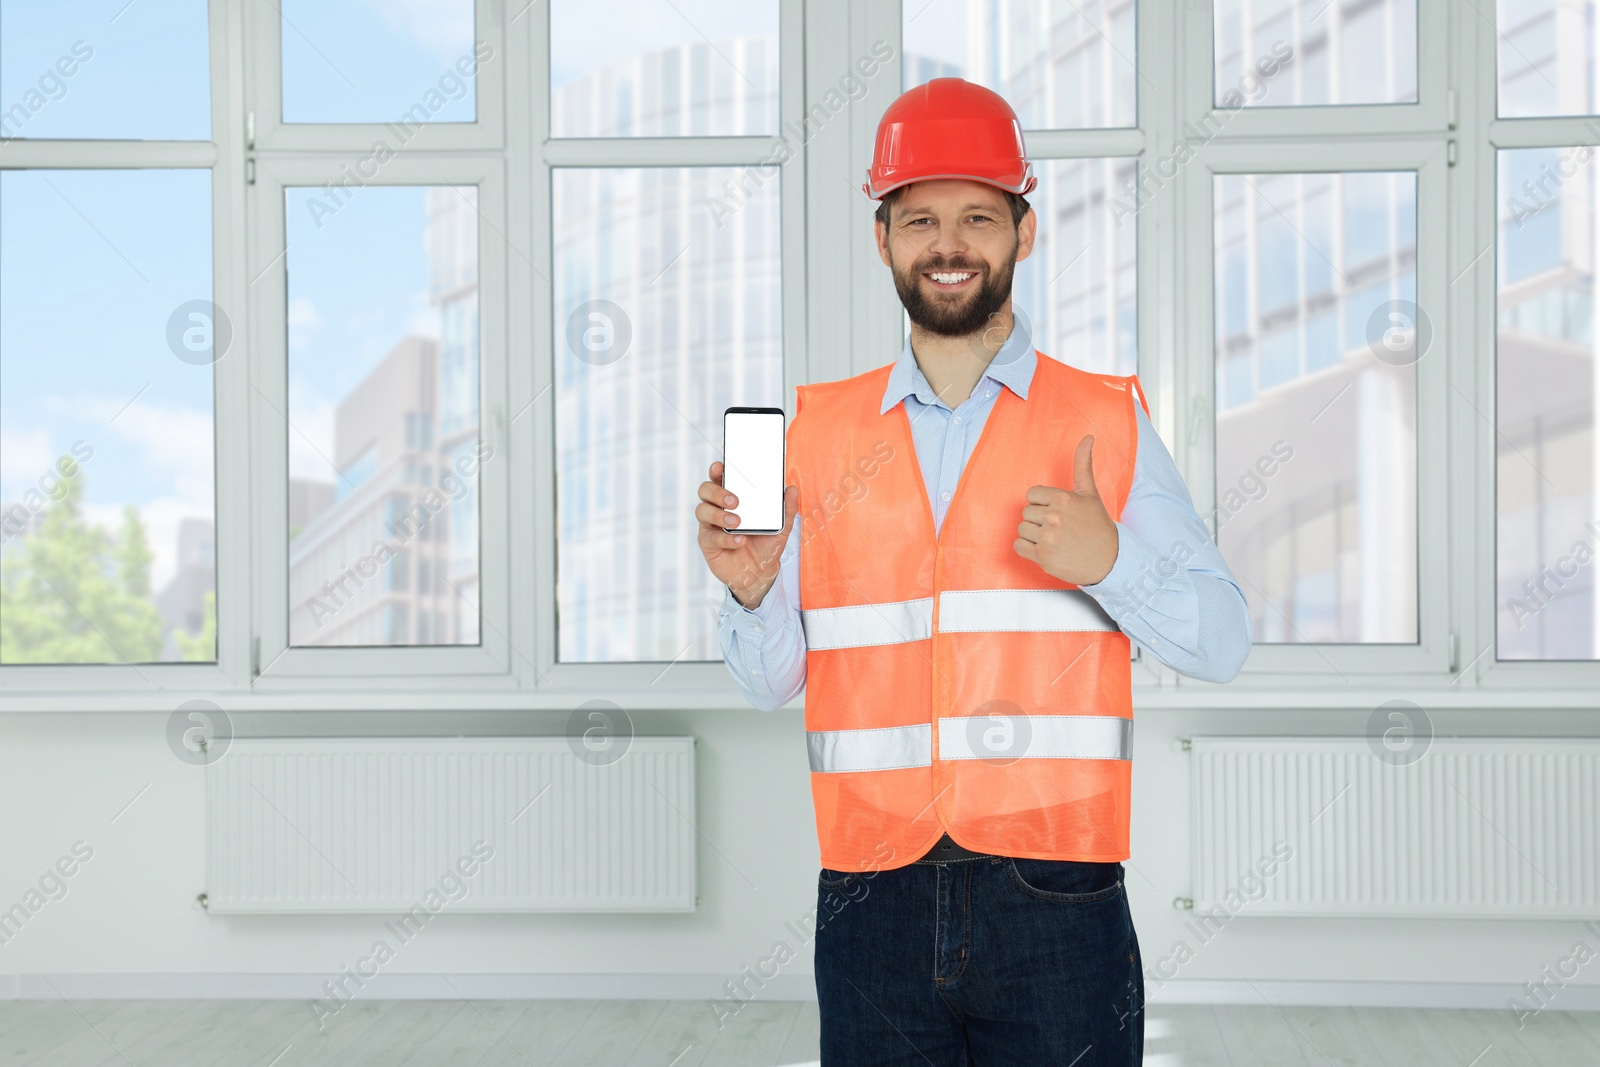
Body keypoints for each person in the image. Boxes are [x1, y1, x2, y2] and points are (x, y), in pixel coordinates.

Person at [696, 77, 1251, 1066]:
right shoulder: (818, 436)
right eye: (918, 220)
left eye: (977, 217)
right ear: (883, 240)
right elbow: (769, 682)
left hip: (1056, 893)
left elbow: (1222, 640)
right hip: (870, 892)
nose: (947, 244)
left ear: (1023, 234)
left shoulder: (1103, 420)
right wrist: (748, 592)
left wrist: (1112, 561)